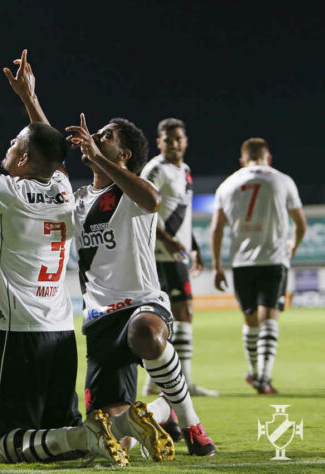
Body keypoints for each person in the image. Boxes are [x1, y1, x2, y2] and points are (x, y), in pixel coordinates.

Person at [0, 50, 127, 466]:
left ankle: (87, 433)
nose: (8, 147)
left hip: (17, 331)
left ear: (24, 159)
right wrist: (30, 96)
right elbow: (51, 146)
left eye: (14, 144)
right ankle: (99, 433)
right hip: (61, 329)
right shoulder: (62, 185)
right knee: (49, 433)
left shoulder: (5, 190)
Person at [66, 113, 216, 458]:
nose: (97, 136)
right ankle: (163, 410)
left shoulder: (130, 191)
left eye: (107, 136)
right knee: (113, 438)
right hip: (100, 319)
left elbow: (153, 201)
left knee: (146, 333)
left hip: (142, 303)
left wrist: (99, 157)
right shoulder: (79, 199)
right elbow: (50, 159)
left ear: (125, 154)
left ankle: (191, 422)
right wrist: (30, 99)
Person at [210, 137, 306, 394]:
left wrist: (217, 265)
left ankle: (254, 372)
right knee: (269, 317)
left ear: (242, 160)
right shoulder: (282, 180)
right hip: (273, 259)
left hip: (242, 262)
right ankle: (263, 376)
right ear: (268, 158)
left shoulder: (227, 184)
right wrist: (292, 248)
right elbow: (301, 223)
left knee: (251, 320)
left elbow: (217, 228)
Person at [140, 118, 218, 398]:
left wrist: (192, 246)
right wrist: (167, 240)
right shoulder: (155, 169)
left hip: (176, 255)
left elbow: (181, 214)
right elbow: (143, 207)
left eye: (178, 138)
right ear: (159, 142)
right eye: (168, 139)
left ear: (185, 141)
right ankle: (161, 381)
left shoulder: (184, 170)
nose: (174, 143)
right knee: (158, 318)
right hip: (158, 255)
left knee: (183, 313)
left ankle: (174, 381)